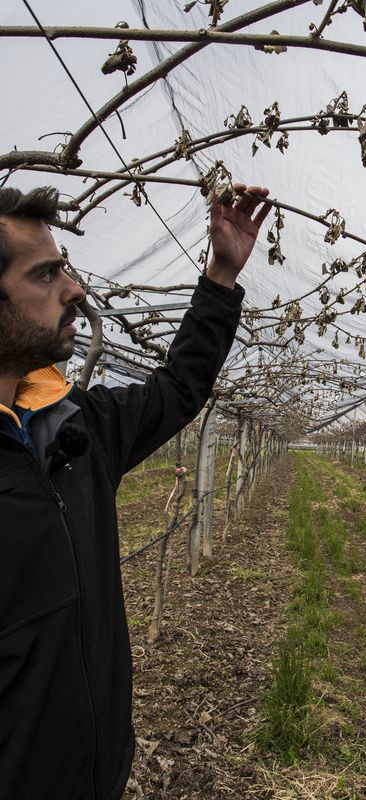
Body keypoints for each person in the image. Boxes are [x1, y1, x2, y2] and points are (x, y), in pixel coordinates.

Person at [0, 183, 271, 800]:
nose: (75, 289)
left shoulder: (76, 430)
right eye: (45, 275)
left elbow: (178, 388)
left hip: (99, 773)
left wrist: (221, 277)